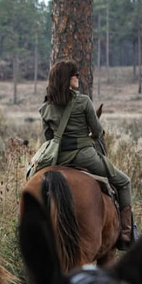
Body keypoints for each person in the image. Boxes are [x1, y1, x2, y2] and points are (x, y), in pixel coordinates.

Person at [41, 60, 134, 248]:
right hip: (84, 155)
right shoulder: (83, 101)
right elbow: (97, 131)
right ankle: (126, 233)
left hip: (58, 158)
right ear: (67, 79)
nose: (78, 77)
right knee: (124, 182)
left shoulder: (45, 108)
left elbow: (48, 137)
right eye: (75, 74)